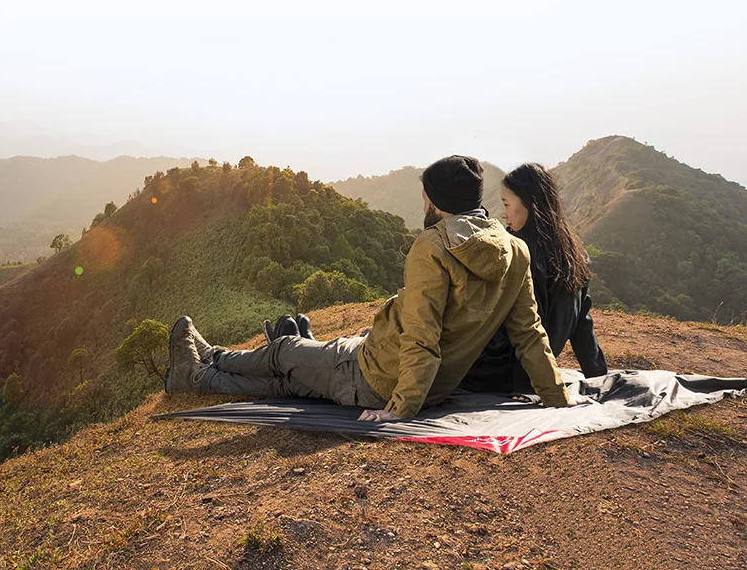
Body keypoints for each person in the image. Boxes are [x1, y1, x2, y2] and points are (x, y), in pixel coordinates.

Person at [165, 155, 571, 420]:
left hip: (375, 375)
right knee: (290, 382)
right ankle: (198, 376)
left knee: (284, 351)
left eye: (425, 197)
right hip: (426, 383)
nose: (424, 204)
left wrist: (400, 408)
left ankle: (212, 357)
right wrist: (557, 397)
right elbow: (529, 334)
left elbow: (423, 334)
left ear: (437, 202)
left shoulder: (433, 246)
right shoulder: (516, 250)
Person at [461, 163, 607, 394]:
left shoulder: (519, 254)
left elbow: (523, 331)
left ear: (530, 203)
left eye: (506, 204)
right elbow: (582, 324)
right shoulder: (576, 256)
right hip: (533, 372)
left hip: (505, 373)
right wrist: (599, 378)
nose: (503, 213)